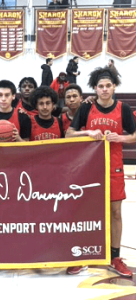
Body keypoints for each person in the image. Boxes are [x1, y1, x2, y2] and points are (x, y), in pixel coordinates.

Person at [66, 67, 136, 277]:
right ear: (95, 89)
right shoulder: (86, 108)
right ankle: (82, 255)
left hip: (113, 165)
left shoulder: (123, 108)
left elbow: (133, 135)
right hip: (89, 167)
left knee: (115, 212)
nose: (104, 90)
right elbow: (69, 134)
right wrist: (88, 132)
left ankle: (115, 257)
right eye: (101, 86)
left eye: (108, 86)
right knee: (85, 211)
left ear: (114, 87)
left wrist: (119, 138)